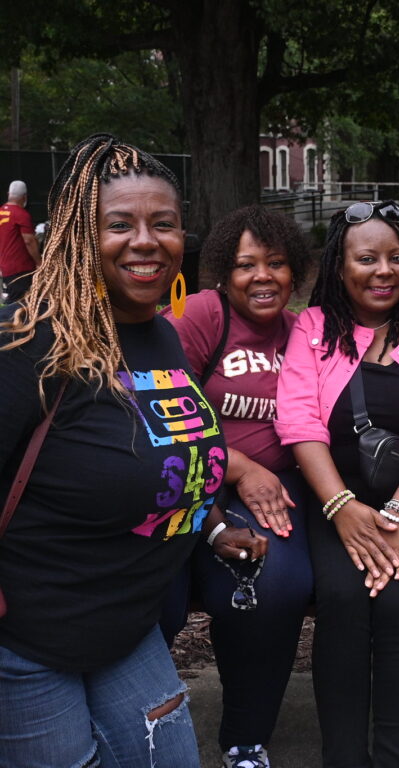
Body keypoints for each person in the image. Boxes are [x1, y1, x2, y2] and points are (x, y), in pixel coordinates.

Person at [0, 134, 264, 767]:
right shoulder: (29, 340)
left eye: (163, 224)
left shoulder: (159, 336)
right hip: (26, 642)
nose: (146, 241)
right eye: (119, 224)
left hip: (127, 629)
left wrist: (210, 527)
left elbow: (154, 460)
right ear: (77, 236)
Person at [274, 200, 399, 768]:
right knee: (340, 600)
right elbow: (298, 421)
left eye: (396, 258)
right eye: (366, 258)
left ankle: (397, 759)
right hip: (333, 498)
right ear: (340, 268)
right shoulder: (314, 329)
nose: (383, 270)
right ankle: (342, 758)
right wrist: (341, 506)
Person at [159, 205, 314, 768]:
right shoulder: (202, 315)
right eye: (247, 265)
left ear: (294, 269)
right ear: (225, 272)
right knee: (157, 599)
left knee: (275, 587)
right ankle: (129, 723)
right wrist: (240, 467)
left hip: (278, 489)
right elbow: (166, 413)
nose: (263, 276)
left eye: (276, 263)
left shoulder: (304, 331)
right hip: (192, 483)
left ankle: (246, 739)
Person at [0, 180, 41, 302]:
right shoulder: (21, 214)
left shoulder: (1, 212)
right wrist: (39, 261)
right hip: (21, 268)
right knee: (18, 304)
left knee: (14, 300)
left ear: (8, 194)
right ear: (24, 197)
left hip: (7, 267)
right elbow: (29, 240)